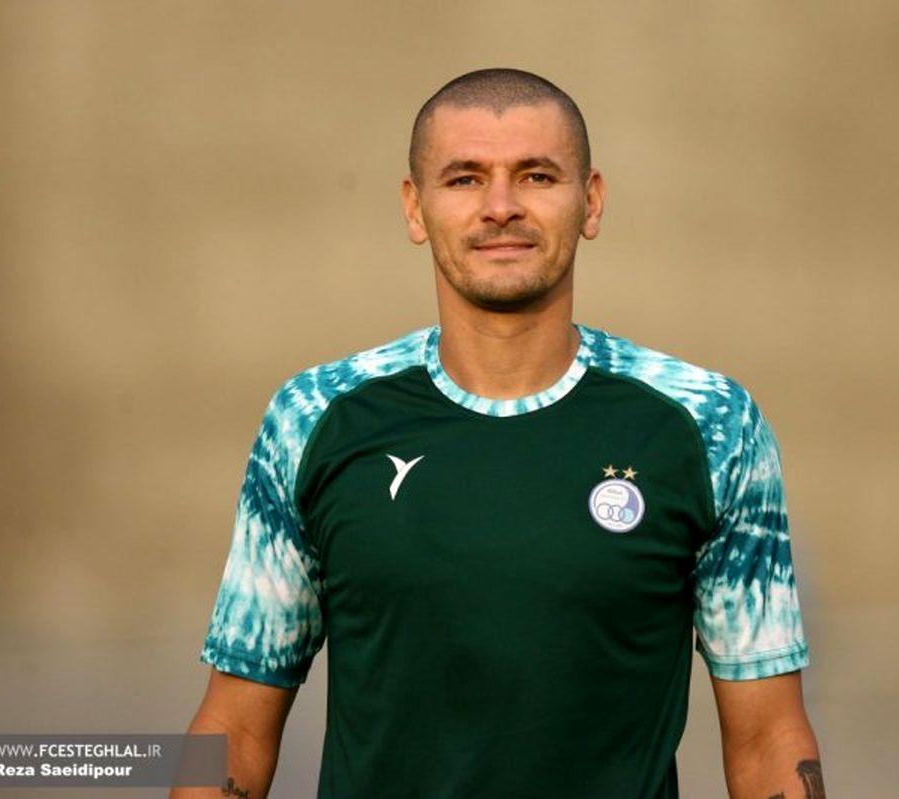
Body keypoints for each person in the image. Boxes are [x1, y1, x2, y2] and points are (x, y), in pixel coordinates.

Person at [173, 68, 824, 799]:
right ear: (415, 208)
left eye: (537, 175)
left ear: (591, 201)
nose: (501, 207)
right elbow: (235, 728)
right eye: (465, 179)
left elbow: (770, 740)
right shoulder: (313, 419)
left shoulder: (709, 425)